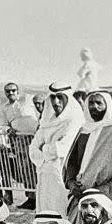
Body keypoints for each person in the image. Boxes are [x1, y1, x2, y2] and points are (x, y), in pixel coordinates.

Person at [64, 91, 112, 224]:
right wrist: (71, 182)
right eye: (91, 103)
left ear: (107, 105)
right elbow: (73, 160)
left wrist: (88, 184)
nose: (94, 106)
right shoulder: (84, 130)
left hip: (108, 189)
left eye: (99, 103)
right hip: (80, 189)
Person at [29, 83, 84, 215]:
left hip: (62, 174)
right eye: (52, 98)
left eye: (60, 97)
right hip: (44, 174)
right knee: (45, 212)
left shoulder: (74, 120)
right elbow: (33, 148)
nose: (56, 102)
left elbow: (63, 147)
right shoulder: (47, 120)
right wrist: (46, 152)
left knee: (61, 213)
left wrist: (44, 148)